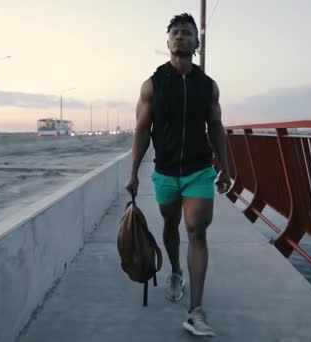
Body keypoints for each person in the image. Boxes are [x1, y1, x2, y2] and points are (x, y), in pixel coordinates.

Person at [125, 12, 231, 337]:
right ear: (168, 42)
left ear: (196, 43)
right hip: (165, 172)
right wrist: (133, 173)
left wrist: (225, 166)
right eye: (176, 32)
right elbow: (142, 130)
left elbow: (216, 126)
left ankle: (195, 311)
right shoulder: (152, 85)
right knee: (171, 226)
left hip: (199, 170)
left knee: (196, 232)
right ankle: (174, 271)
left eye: (187, 32)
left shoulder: (207, 86)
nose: (181, 36)